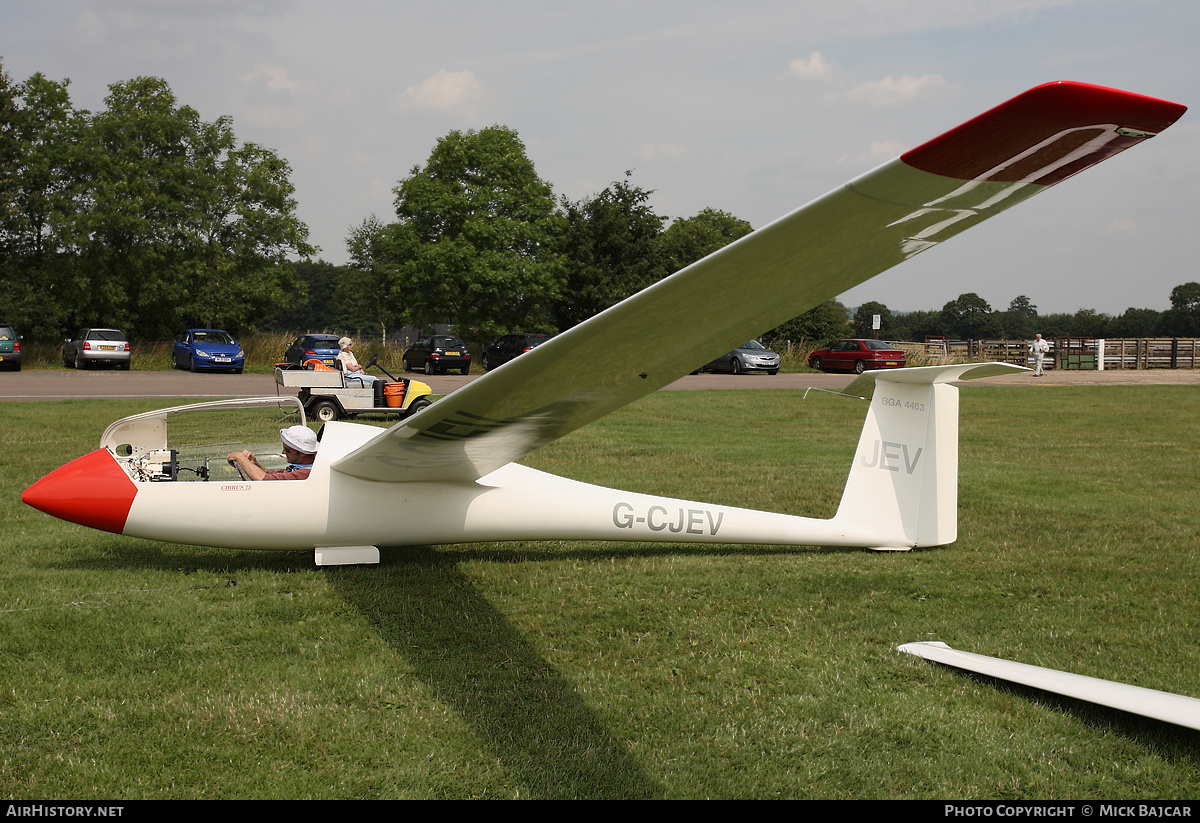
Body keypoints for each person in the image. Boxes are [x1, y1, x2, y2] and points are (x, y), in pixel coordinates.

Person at [227, 425, 319, 481]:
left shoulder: (306, 473)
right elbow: (271, 474)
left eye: (287, 450)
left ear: (302, 453)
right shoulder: (302, 468)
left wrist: (239, 457)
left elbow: (263, 479)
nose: (283, 452)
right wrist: (255, 465)